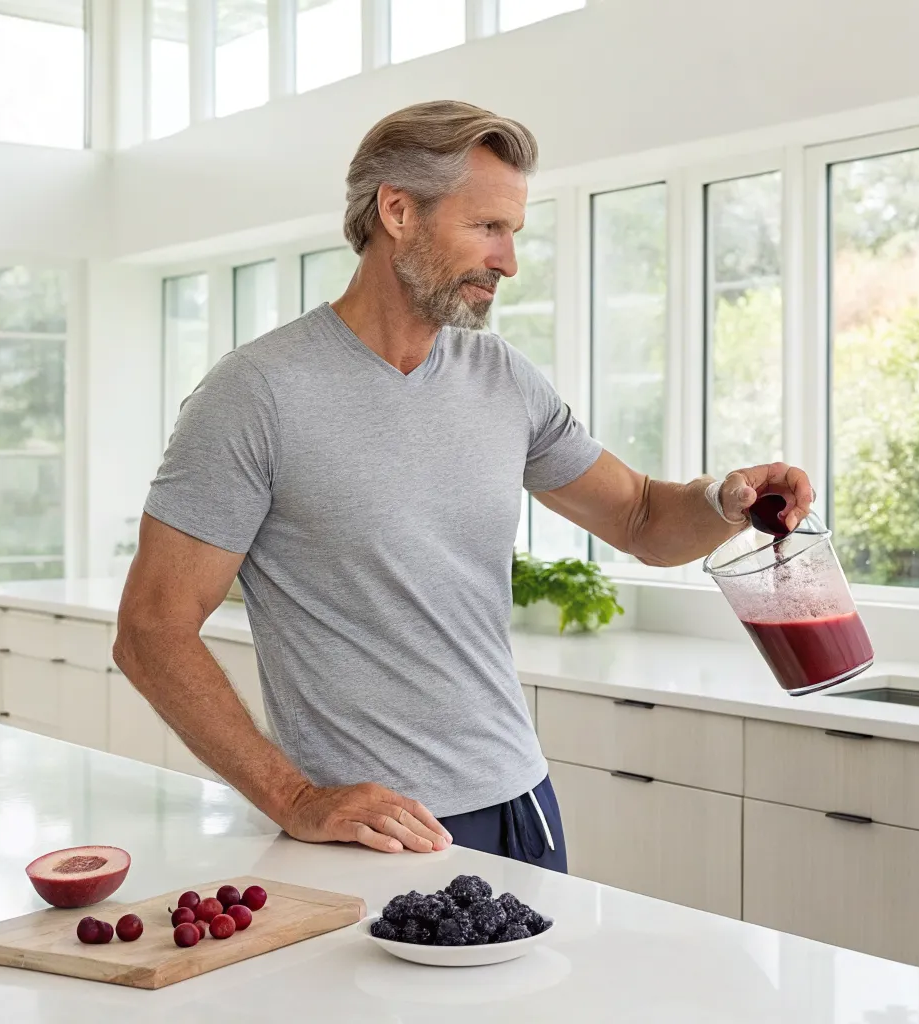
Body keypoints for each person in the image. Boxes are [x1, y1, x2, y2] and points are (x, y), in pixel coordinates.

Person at [113, 100, 813, 870]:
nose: (508, 261)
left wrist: (726, 501)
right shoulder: (258, 394)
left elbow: (644, 519)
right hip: (371, 831)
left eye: (514, 232)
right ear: (398, 211)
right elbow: (152, 629)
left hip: (521, 800)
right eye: (488, 228)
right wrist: (296, 799)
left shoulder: (502, 377)